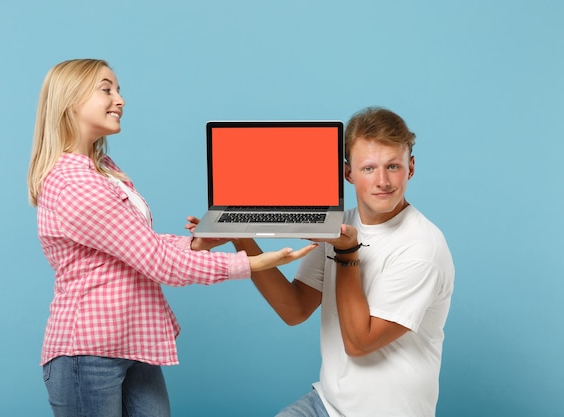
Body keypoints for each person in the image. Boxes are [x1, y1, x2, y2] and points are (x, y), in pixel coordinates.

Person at [27, 58, 317, 417]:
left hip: (132, 341)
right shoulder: (75, 184)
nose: (120, 100)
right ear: (70, 100)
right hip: (88, 351)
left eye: (118, 90)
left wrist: (196, 244)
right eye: (107, 89)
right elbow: (158, 263)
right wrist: (252, 263)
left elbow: (137, 246)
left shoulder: (106, 172)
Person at [188, 107, 454, 416]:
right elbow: (294, 309)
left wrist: (346, 253)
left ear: (410, 168)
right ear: (348, 173)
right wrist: (239, 235)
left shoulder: (422, 247)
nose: (382, 181)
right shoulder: (339, 226)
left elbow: (359, 342)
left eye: (392, 166)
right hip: (327, 404)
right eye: (368, 168)